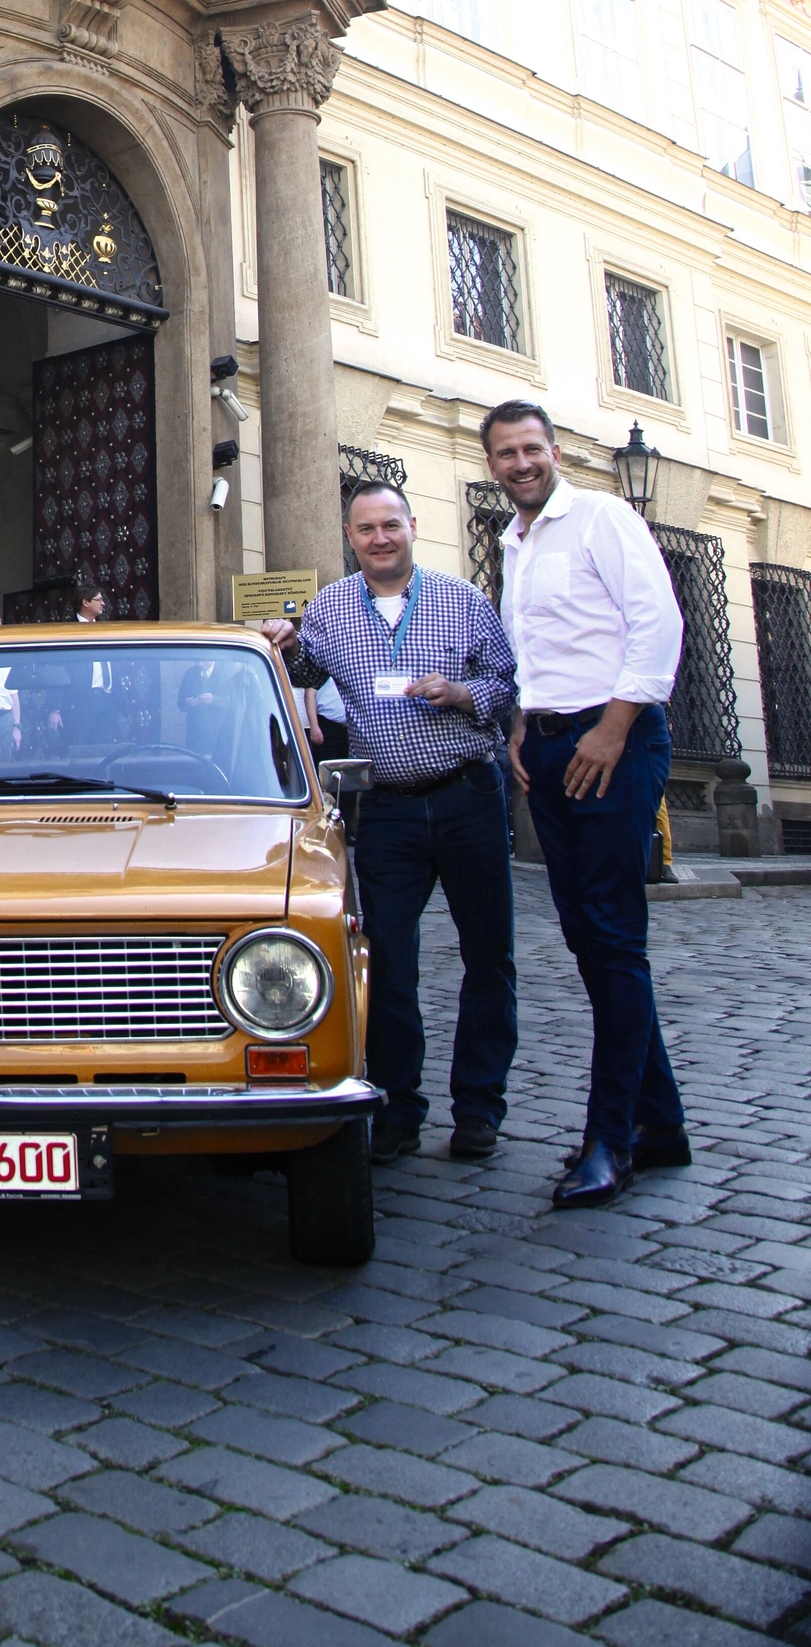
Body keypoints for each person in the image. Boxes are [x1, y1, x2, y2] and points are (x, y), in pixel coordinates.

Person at [263, 481, 518, 1167]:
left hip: (468, 796)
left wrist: (462, 692)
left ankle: (478, 1109)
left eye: (391, 525)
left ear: (413, 527)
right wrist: (282, 641)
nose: (380, 538)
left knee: (489, 959)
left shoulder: (463, 601)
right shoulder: (332, 609)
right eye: (366, 528)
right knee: (389, 967)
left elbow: (505, 683)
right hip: (390, 811)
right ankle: (398, 1108)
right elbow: (303, 665)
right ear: (350, 538)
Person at [482, 400, 689, 1209]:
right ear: (493, 465)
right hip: (553, 743)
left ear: (555, 451)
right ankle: (661, 1123)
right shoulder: (515, 542)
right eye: (506, 454)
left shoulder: (601, 517)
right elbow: (532, 648)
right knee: (589, 935)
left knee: (612, 935)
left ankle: (611, 1140)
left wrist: (613, 727)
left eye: (531, 448)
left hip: (616, 741)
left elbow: (657, 624)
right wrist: (522, 728)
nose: (521, 463)